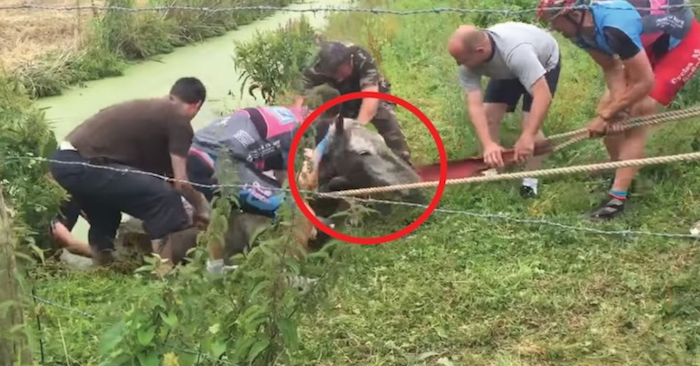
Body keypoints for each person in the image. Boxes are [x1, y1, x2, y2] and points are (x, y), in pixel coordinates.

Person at [536, 0, 700, 220]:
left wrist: (608, 115)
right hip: (644, 43)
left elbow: (645, 83)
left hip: (681, 44)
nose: (555, 30)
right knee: (610, 108)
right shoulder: (578, 32)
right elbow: (611, 66)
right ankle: (623, 170)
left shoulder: (614, 27)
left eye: (555, 23)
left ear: (574, 14)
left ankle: (617, 198)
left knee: (640, 111)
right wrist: (613, 110)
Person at [48, 77, 211, 266]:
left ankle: (103, 265)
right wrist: (201, 206)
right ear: (196, 105)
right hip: (84, 164)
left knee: (107, 214)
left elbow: (168, 177)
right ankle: (165, 276)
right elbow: (181, 182)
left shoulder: (151, 111)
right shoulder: (178, 117)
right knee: (163, 199)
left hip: (65, 161)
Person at [187, 86, 341, 273]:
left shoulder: (284, 114)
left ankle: (215, 270)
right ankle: (287, 279)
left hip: (195, 156)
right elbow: (305, 180)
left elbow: (283, 175)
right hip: (223, 162)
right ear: (328, 117)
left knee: (222, 209)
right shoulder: (306, 128)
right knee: (298, 215)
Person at [447, 22, 562, 199]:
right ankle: (496, 167)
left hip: (542, 63)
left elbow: (542, 96)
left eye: (463, 60)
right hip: (507, 70)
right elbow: (475, 105)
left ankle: (530, 181)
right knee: (489, 116)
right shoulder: (468, 61)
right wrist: (487, 144)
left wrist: (527, 137)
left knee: (529, 125)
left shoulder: (516, 52)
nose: (460, 65)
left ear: (480, 51)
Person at [295, 41, 413, 164]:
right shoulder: (315, 68)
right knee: (328, 131)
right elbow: (300, 100)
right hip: (341, 97)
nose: (337, 76)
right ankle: (330, 169)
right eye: (333, 73)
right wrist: (303, 126)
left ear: (349, 61)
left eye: (340, 71)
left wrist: (356, 129)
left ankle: (404, 162)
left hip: (372, 92)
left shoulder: (361, 57)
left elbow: (370, 100)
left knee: (387, 121)